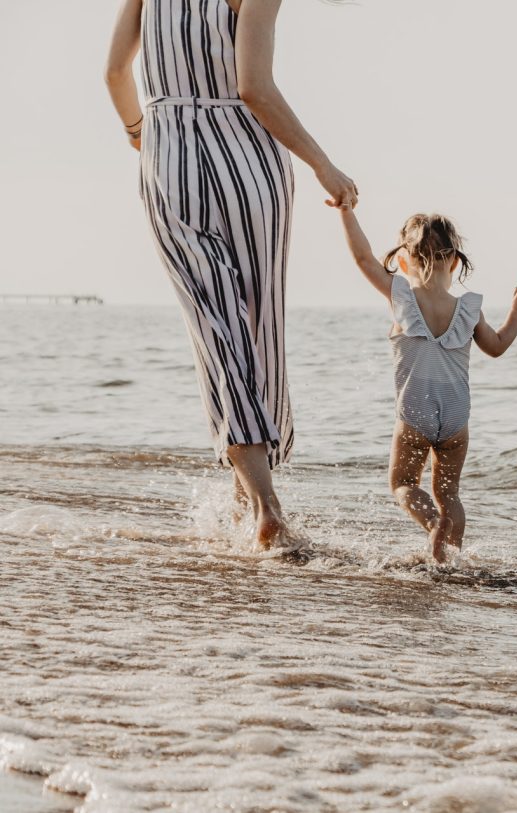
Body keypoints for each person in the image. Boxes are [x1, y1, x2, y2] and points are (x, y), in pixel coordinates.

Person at [104, 0, 359, 548]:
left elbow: (114, 72)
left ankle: (255, 500)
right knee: (258, 323)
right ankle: (264, 501)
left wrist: (138, 132)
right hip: (249, 163)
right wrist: (322, 163)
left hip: (168, 155)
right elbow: (254, 90)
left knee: (214, 325)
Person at [333, 204, 517, 562]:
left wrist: (346, 211)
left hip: (415, 414)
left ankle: (432, 526)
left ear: (402, 262)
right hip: (456, 418)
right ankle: (450, 560)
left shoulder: (401, 297)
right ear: (456, 263)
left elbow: (364, 259)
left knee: (403, 485)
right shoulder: (469, 308)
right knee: (451, 495)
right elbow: (496, 347)